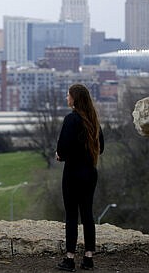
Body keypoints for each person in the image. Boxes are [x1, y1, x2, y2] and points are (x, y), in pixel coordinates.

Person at [56, 84, 104, 271]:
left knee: (71, 216)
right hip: (90, 173)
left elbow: (62, 148)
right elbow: (101, 147)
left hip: (73, 174)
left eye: (68, 95)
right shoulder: (93, 120)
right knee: (87, 215)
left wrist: (60, 155)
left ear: (75, 99)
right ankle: (88, 258)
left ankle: (69, 259)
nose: (67, 98)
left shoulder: (71, 119)